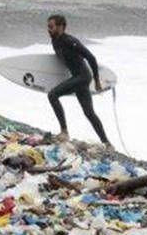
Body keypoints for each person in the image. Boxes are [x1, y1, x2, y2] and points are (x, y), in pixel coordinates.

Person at [46, 14, 112, 148]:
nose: (49, 29)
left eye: (51, 26)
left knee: (52, 95)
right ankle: (107, 143)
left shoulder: (70, 41)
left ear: (61, 27)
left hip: (83, 77)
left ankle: (64, 132)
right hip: (77, 78)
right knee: (89, 113)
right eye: (48, 26)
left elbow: (91, 57)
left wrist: (97, 80)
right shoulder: (55, 41)